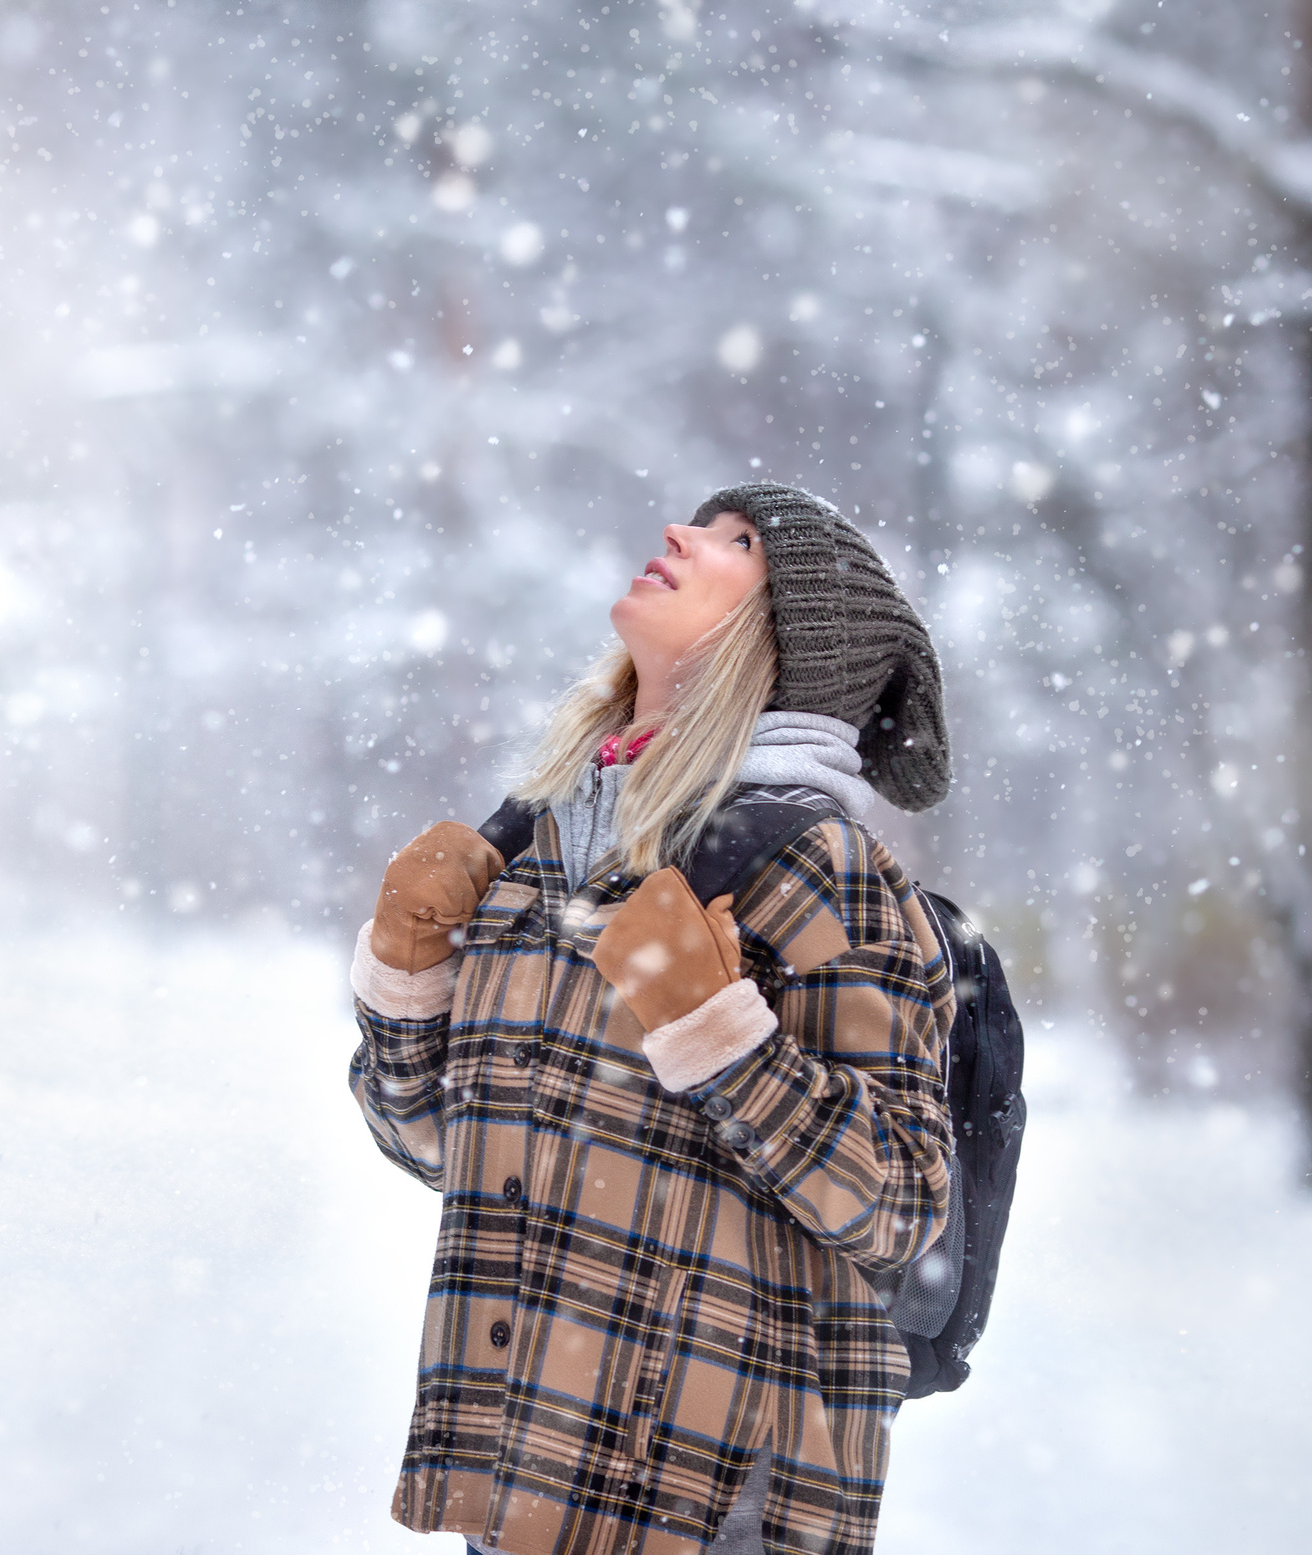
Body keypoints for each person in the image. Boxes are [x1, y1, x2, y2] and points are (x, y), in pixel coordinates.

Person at [347, 482, 956, 1555]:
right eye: (699, 520)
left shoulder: (824, 870)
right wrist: (409, 983)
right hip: (524, 1475)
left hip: (711, 1503)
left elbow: (899, 1202)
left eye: (740, 542)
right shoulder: (546, 840)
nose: (680, 534)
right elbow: (442, 1145)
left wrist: (720, 1033)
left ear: (788, 641)